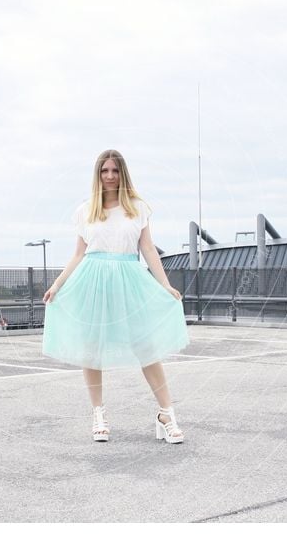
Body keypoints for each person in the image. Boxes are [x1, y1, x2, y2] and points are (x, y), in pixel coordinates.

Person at [42, 149, 190, 444]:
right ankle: (98, 413)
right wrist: (57, 284)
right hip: (92, 281)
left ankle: (166, 414)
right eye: (104, 171)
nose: (110, 176)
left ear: (123, 174)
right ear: (98, 175)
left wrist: (165, 285)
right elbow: (78, 254)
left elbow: (148, 249)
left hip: (128, 279)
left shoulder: (137, 208)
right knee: (92, 347)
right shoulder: (86, 210)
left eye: (115, 170)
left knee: (145, 346)